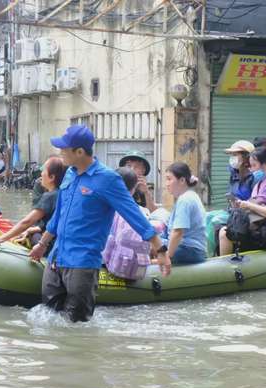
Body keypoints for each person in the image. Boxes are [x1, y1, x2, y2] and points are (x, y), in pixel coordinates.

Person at [28, 125, 171, 322]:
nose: (60, 153)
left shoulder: (107, 179)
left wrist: (160, 250)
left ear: (79, 152)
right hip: (56, 259)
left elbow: (133, 215)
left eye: (64, 149)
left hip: (82, 263)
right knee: (49, 318)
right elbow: (59, 215)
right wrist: (42, 244)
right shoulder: (69, 174)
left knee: (76, 326)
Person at [0, 156, 67, 250]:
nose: (41, 174)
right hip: (59, 240)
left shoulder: (50, 196)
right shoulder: (63, 193)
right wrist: (32, 229)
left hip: (51, 243)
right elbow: (52, 222)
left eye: (44, 171)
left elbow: (27, 222)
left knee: (28, 238)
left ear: (51, 177)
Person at [218, 147, 266, 255]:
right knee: (223, 230)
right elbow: (253, 209)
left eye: (254, 165)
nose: (251, 169)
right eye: (251, 166)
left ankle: (225, 268)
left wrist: (250, 206)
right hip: (258, 227)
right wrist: (239, 205)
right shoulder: (258, 184)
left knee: (225, 234)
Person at [102, 167, 152, 280]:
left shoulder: (107, 208)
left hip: (109, 265)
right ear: (134, 189)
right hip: (135, 270)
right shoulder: (143, 211)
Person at [162, 162, 207, 265]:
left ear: (182, 180)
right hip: (193, 249)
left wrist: (168, 256)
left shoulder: (185, 200)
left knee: (152, 245)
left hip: (189, 250)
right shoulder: (190, 195)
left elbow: (178, 232)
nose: (166, 183)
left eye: (169, 179)